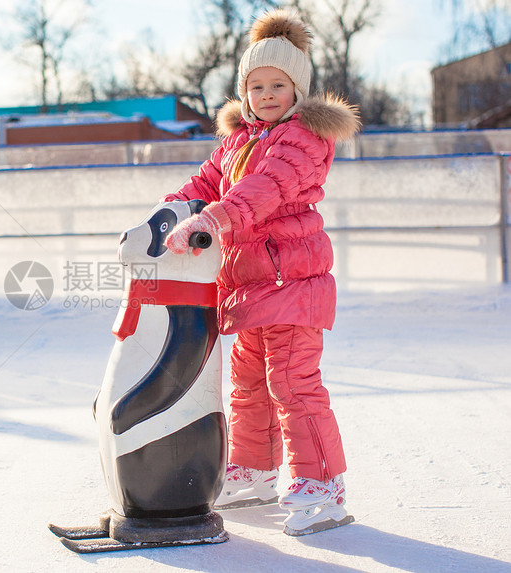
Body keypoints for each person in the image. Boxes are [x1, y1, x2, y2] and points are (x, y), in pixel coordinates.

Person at [162, 9, 360, 535]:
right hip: (249, 288)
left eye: (278, 84)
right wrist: (170, 214)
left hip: (293, 285)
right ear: (244, 92)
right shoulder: (238, 141)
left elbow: (261, 191)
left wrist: (212, 220)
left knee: (293, 384)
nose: (267, 94)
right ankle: (254, 470)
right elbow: (204, 182)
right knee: (248, 385)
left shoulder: (302, 139)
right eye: (256, 86)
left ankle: (323, 485)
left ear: (297, 90)